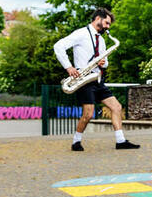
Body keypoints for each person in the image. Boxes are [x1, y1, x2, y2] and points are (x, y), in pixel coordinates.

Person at [53, 8, 140, 151]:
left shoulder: (102, 40)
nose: (107, 27)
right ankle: (76, 142)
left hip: (98, 79)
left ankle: (120, 141)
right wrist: (69, 68)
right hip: (84, 79)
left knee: (116, 107)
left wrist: (103, 63)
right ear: (98, 18)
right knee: (88, 114)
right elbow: (58, 46)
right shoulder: (80, 34)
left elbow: (105, 62)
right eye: (106, 23)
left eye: (109, 25)